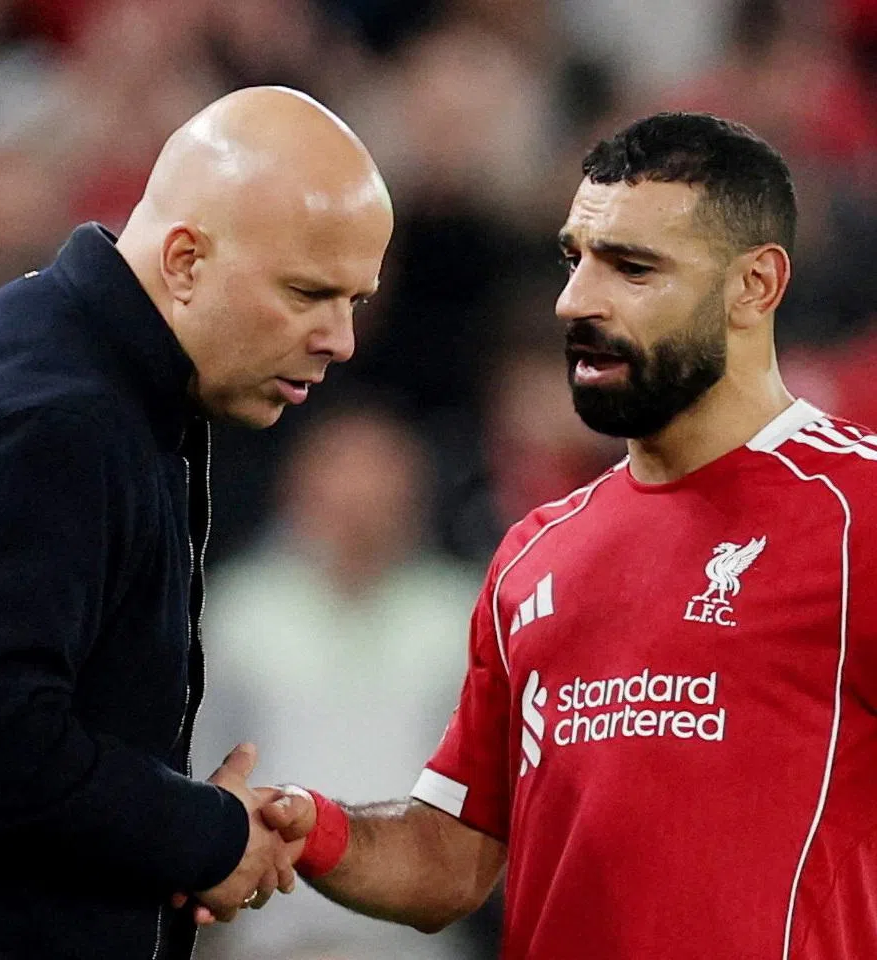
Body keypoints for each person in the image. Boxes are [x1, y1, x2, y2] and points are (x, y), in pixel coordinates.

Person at [244, 112, 877, 959]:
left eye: (632, 267)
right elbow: (453, 857)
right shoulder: (536, 554)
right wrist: (307, 827)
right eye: (575, 258)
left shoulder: (857, 513)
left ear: (754, 287)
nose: (576, 300)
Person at [0, 85, 393, 960]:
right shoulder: (60, 419)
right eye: (307, 293)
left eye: (354, 302)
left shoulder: (48, 356)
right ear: (184, 261)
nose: (340, 339)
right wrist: (200, 832)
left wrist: (154, 843)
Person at [194, 405, 481, 960]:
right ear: (297, 487)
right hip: (268, 939)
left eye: (381, 480)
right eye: (341, 476)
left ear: (416, 494)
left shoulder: (464, 617)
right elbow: (197, 773)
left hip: (416, 942)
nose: (361, 502)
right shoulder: (236, 613)